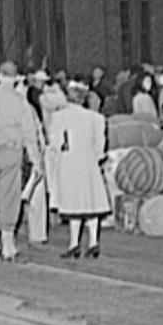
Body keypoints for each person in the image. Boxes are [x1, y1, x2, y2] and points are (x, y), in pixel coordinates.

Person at [0, 61, 41, 263]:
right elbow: (29, 134)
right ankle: (8, 244)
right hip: (11, 149)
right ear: (15, 79)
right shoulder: (20, 102)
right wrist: (36, 160)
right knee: (10, 196)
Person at [47, 81, 111, 259]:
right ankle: (93, 242)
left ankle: (74, 243)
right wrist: (94, 158)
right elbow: (100, 147)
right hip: (89, 163)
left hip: (69, 163)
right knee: (90, 202)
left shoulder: (59, 117)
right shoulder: (96, 118)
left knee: (73, 203)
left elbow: (56, 143)